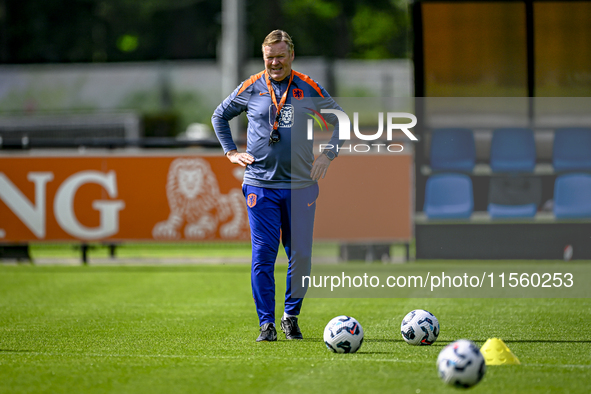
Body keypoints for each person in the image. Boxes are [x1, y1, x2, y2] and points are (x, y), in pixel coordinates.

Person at [212, 30, 342, 342]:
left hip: (301, 187)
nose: (275, 63)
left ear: (291, 56)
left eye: (280, 56)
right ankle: (266, 324)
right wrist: (230, 152)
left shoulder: (308, 87)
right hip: (261, 186)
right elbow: (220, 116)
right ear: (264, 57)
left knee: (300, 255)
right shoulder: (251, 86)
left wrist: (328, 155)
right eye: (269, 57)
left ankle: (291, 316)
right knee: (263, 254)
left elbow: (341, 121)